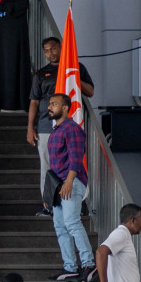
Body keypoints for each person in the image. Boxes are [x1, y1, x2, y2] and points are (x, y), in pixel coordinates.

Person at [27, 35, 93, 215]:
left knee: (73, 163)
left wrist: (73, 76)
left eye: (53, 49)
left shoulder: (76, 67)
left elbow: (90, 91)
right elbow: (34, 102)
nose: (50, 53)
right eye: (46, 51)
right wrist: (30, 127)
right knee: (47, 166)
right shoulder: (41, 73)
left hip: (71, 125)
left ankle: (77, 203)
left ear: (61, 48)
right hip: (46, 127)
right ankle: (49, 204)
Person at [45, 92, 94, 282]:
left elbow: (76, 157)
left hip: (70, 182)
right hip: (58, 184)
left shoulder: (71, 128)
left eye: (54, 104)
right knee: (60, 226)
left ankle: (88, 263)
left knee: (72, 222)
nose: (50, 107)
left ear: (66, 107)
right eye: (50, 104)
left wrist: (69, 181)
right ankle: (70, 266)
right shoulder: (57, 129)